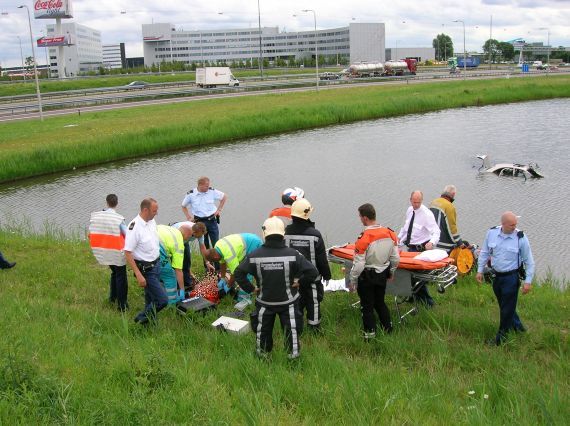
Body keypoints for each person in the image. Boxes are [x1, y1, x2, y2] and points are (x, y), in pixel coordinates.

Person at [234, 217, 318, 359]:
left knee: (263, 331)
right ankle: (293, 358)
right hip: (289, 303)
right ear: (282, 233)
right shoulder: (294, 254)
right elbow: (313, 272)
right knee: (292, 331)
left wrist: (251, 289)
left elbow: (238, 273)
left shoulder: (254, 255)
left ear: (264, 233)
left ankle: (263, 357)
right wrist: (300, 282)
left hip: (264, 303)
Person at [476, 211, 535, 345]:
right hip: (496, 277)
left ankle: (501, 338)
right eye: (511, 225)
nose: (514, 227)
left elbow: (529, 261)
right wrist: (480, 270)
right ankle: (518, 328)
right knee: (505, 306)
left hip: (511, 278)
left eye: (516, 224)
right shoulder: (491, 233)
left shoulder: (521, 238)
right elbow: (485, 252)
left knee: (507, 308)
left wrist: (528, 282)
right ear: (503, 224)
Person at [349, 203, 400, 340]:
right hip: (383, 273)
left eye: (360, 216)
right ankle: (388, 329)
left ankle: (369, 335)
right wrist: (392, 272)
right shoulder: (390, 233)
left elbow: (359, 264)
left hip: (367, 275)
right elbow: (395, 258)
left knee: (367, 306)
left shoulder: (364, 237)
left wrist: (353, 279)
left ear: (365, 218)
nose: (360, 219)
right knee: (380, 302)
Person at [284, 198, 331, 331]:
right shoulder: (315, 234)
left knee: (295, 302)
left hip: (293, 279)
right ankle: (314, 327)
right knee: (313, 302)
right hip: (312, 278)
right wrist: (327, 275)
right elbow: (321, 259)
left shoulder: (285, 232)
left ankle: (296, 326)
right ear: (307, 214)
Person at [124, 198, 168, 325]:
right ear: (145, 210)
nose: (157, 213)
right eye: (154, 210)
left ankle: (150, 324)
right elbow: (127, 252)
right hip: (146, 270)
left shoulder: (152, 221)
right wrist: (138, 275)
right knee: (162, 300)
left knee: (151, 298)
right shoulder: (134, 227)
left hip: (157, 265)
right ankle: (140, 319)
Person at [397, 190, 441, 307]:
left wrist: (432, 242)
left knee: (419, 277)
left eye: (418, 202)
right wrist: (398, 241)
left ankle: (429, 302)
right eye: (414, 202)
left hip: (421, 249)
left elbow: (436, 231)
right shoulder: (409, 210)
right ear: (410, 200)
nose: (416, 204)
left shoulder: (427, 214)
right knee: (409, 275)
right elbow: (406, 229)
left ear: (422, 201)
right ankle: (413, 297)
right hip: (410, 249)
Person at [89, 194, 128, 311]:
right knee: (121, 277)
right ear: (117, 203)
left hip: (104, 250)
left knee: (114, 273)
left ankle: (113, 297)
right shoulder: (118, 219)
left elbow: (90, 233)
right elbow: (127, 234)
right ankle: (122, 306)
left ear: (107, 203)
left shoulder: (97, 216)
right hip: (117, 252)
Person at [181, 176, 227, 259]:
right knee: (203, 244)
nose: (208, 187)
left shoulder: (212, 191)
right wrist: (188, 217)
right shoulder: (191, 194)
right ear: (200, 185)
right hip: (199, 222)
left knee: (216, 244)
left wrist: (219, 209)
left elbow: (224, 197)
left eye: (208, 185)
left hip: (212, 220)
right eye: (206, 186)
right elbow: (183, 206)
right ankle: (207, 266)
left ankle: (218, 267)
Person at [170, 221, 213, 291]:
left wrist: (207, 263)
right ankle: (178, 286)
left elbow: (202, 248)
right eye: (199, 236)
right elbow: (178, 249)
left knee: (187, 259)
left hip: (185, 240)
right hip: (174, 239)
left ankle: (187, 282)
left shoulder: (200, 233)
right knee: (176, 264)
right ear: (194, 233)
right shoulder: (185, 231)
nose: (200, 237)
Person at [157, 224, 192, 305]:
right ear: (186, 235)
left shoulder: (172, 229)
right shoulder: (179, 244)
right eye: (189, 237)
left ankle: (156, 295)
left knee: (153, 273)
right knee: (170, 276)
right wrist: (182, 289)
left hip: (143, 245)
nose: (188, 239)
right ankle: (172, 303)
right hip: (156, 248)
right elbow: (178, 270)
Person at [429, 184, 466, 252]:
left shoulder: (433, 202)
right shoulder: (449, 206)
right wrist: (460, 243)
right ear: (453, 194)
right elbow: (452, 228)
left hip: (431, 242)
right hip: (444, 246)